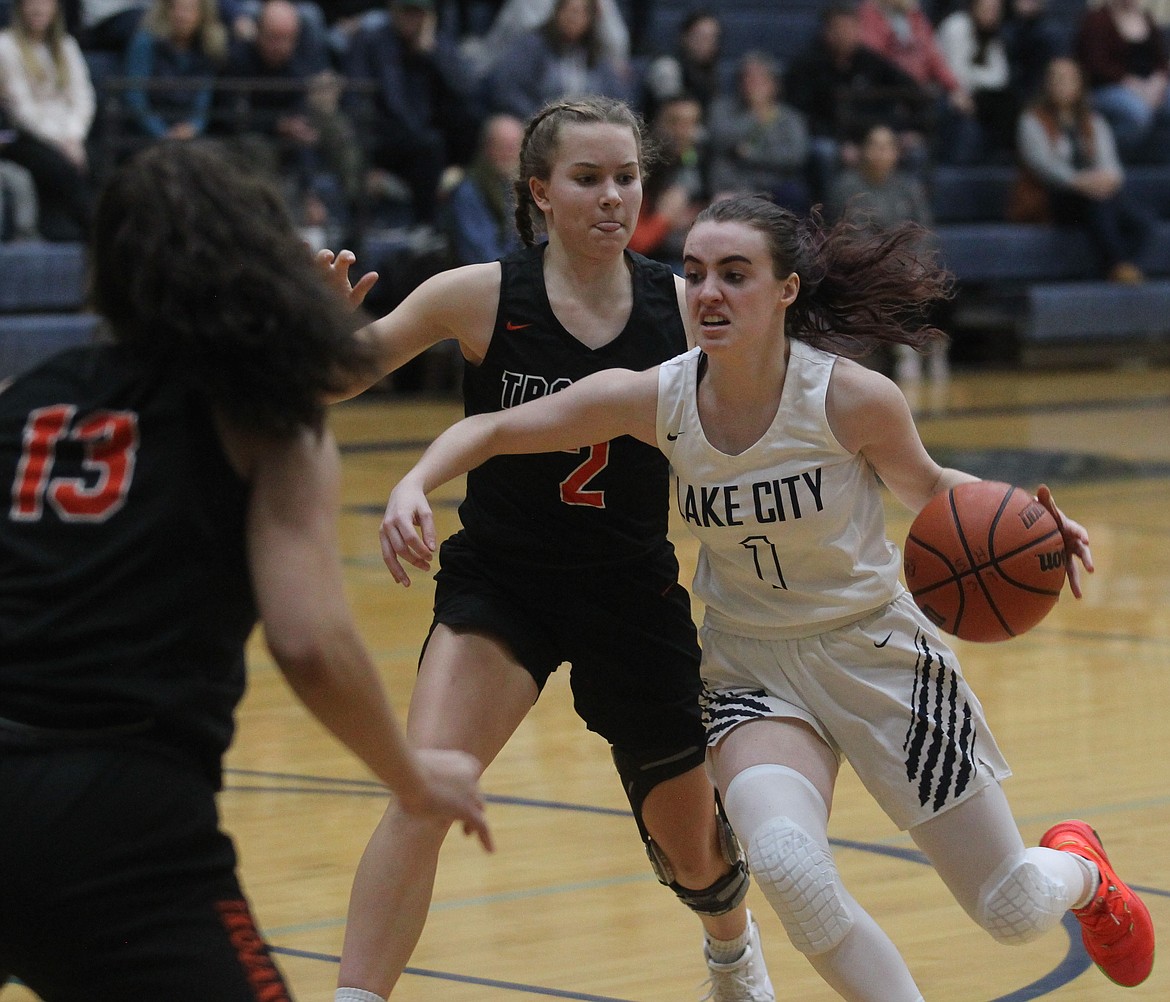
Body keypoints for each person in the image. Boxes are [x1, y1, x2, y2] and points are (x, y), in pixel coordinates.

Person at [377, 192, 1157, 1001]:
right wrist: (415, 479)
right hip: (755, 673)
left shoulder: (849, 397)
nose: (709, 292)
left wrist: (1027, 519)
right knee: (787, 866)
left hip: (880, 657)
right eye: (696, 273)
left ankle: (1081, 869)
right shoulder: (660, 396)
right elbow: (499, 428)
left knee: (1011, 905)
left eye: (735, 274)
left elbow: (929, 487)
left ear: (785, 290)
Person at [0, 138, 492, 999]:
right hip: (117, 813)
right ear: (249, 254)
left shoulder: (28, 397)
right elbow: (308, 642)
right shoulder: (265, 417)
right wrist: (410, 779)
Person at [324, 95, 775, 1002]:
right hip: (503, 587)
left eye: (627, 177)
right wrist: (315, 334)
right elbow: (339, 377)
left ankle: (733, 950)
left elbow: (776, 411)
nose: (613, 196)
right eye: (588, 178)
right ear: (540, 191)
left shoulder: (685, 307)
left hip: (630, 589)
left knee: (693, 849)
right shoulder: (480, 294)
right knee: (424, 793)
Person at [220, 0, 364, 243]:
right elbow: (228, 118)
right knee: (257, 149)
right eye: (274, 37)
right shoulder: (237, 60)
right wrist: (277, 124)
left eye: (287, 38)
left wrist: (310, 192)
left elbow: (302, 123)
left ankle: (356, 216)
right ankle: (269, 232)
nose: (280, 46)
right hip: (251, 137)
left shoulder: (299, 63)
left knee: (336, 128)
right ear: (258, 32)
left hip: (292, 137)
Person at [1014, 55, 1155, 284]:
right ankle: (1117, 264)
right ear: (1047, 83)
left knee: (1142, 221)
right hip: (1052, 196)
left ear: (1080, 84)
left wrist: (1109, 179)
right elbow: (1043, 166)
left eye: (1069, 79)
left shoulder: (1093, 120)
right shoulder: (1032, 120)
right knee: (1099, 204)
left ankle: (1115, 268)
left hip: (1092, 193)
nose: (1063, 85)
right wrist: (1080, 182)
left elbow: (1110, 161)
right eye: (1057, 79)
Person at [825, 122, 945, 385]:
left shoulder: (909, 186)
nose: (881, 152)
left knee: (930, 278)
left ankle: (923, 343)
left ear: (896, 152)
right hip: (863, 265)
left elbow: (924, 231)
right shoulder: (845, 187)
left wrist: (915, 262)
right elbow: (851, 238)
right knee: (886, 280)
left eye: (887, 146)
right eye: (875, 146)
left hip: (907, 264)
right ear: (864, 151)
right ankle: (900, 348)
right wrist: (892, 263)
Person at [341, 0, 481, 226]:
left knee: (468, 120)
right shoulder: (371, 41)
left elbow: (466, 90)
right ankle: (427, 224)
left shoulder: (436, 44)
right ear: (393, 11)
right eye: (406, 12)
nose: (411, 19)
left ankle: (444, 204)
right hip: (382, 135)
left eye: (417, 13)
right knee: (429, 144)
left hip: (426, 137)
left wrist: (432, 54)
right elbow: (356, 100)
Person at [785, 2, 932, 203]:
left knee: (916, 151)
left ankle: (911, 217)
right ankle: (830, 217)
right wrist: (841, 142)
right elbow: (799, 116)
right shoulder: (806, 66)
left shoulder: (871, 61)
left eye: (851, 28)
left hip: (871, 135)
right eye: (840, 28)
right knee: (824, 152)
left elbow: (912, 91)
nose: (846, 34)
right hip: (831, 136)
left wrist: (910, 129)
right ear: (827, 32)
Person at [0, 0, 95, 241]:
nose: (38, 9)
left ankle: (80, 227)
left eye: (45, 2)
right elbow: (20, 109)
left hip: (70, 135)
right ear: (20, 7)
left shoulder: (66, 45)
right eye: (31, 3)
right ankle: (93, 228)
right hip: (24, 135)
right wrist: (61, 140)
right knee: (57, 165)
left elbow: (83, 97)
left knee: (97, 158)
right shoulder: (6, 46)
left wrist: (73, 135)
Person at [856, 0, 982, 164]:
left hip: (919, 95)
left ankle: (950, 177)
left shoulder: (915, 17)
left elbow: (934, 58)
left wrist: (955, 89)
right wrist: (894, 35)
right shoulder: (870, 13)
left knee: (959, 113)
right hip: (886, 94)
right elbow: (872, 58)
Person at [484, 0, 630, 121]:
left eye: (581, 12)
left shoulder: (597, 55)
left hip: (587, 130)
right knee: (504, 128)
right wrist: (539, 118)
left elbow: (615, 99)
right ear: (557, 12)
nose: (573, 17)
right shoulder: (532, 45)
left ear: (590, 19)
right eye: (570, 10)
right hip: (536, 123)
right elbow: (509, 89)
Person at [707, 49, 811, 215]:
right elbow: (719, 139)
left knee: (795, 194)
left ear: (774, 84)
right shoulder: (721, 109)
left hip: (776, 184)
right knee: (723, 202)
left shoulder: (790, 117)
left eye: (761, 79)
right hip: (735, 183)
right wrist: (755, 115)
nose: (753, 84)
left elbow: (795, 156)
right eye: (747, 77)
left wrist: (750, 154)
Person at [1075, 0, 1170, 163]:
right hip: (1107, 87)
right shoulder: (1097, 20)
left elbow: (1160, 61)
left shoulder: (1146, 18)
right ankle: (1110, 158)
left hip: (1150, 85)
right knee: (1138, 112)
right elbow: (1095, 66)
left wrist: (1158, 82)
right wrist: (1131, 83)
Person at [122, 0, 228, 142]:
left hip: (190, 139)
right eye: (176, 8)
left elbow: (203, 100)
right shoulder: (145, 42)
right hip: (145, 136)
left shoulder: (207, 46)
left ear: (203, 14)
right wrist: (162, 133)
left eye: (190, 9)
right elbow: (135, 98)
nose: (182, 16)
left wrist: (193, 127)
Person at [628, 91, 710, 268]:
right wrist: (664, 218)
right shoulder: (643, 169)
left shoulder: (705, 158)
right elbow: (635, 243)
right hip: (653, 261)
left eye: (692, 123)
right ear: (657, 124)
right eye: (675, 122)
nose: (683, 132)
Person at [936, 0, 1019, 161]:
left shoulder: (992, 35)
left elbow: (1001, 78)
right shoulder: (957, 26)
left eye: (996, 10)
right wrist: (973, 84)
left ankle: (1001, 160)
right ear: (974, 7)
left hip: (978, 96)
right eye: (987, 8)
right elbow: (955, 72)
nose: (992, 14)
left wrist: (976, 81)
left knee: (1009, 101)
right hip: (945, 91)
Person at [443, 111, 524, 264]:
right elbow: (481, 254)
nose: (509, 154)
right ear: (487, 148)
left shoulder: (527, 187)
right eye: (501, 146)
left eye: (514, 147)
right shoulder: (469, 191)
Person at [639, 7, 722, 123]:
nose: (707, 42)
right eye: (701, 36)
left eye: (713, 37)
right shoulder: (667, 66)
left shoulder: (707, 72)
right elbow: (673, 115)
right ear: (685, 37)